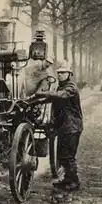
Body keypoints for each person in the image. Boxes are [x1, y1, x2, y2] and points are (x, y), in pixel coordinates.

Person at [32, 62, 83, 191]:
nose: (60, 75)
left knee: (68, 155)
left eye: (63, 73)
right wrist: (34, 100)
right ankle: (67, 179)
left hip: (72, 126)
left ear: (69, 74)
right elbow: (51, 98)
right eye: (59, 73)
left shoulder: (71, 88)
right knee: (61, 155)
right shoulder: (61, 87)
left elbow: (60, 96)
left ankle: (74, 182)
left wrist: (42, 93)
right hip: (64, 126)